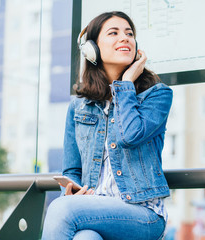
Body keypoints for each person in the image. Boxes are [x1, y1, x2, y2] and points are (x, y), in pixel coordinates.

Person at [42, 11, 173, 240]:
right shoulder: (79, 107)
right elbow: (72, 170)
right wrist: (73, 190)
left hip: (143, 214)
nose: (124, 38)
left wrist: (126, 85)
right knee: (86, 238)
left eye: (129, 33)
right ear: (92, 49)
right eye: (113, 33)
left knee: (60, 209)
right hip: (94, 210)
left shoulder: (157, 95)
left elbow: (130, 135)